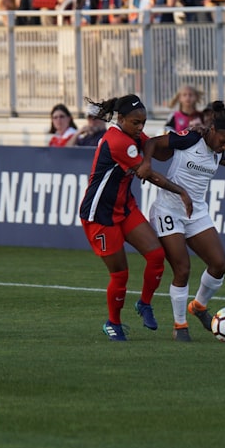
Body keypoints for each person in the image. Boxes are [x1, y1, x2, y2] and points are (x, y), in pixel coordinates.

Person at [142, 101, 225, 341]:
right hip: (168, 211)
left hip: (196, 212)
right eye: (223, 140)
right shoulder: (189, 139)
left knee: (219, 264)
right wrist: (147, 162)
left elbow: (223, 159)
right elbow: (152, 143)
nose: (224, 146)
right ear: (211, 130)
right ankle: (180, 326)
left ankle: (198, 306)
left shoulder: (217, 151)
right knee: (182, 268)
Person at [78, 94, 193, 341]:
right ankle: (113, 323)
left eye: (143, 122)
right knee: (120, 274)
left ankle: (144, 304)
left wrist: (185, 138)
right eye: (136, 123)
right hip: (100, 214)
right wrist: (181, 191)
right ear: (121, 119)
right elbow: (148, 174)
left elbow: (157, 153)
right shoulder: (119, 141)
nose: (141, 128)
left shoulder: (133, 135)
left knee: (156, 255)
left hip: (124, 207)